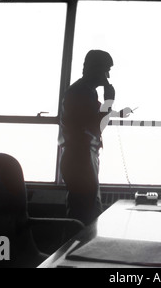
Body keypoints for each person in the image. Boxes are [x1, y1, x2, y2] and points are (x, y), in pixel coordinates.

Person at [59, 50, 132, 225]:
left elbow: (96, 117)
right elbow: (96, 124)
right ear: (94, 68)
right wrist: (109, 101)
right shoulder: (79, 93)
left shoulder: (86, 92)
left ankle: (75, 249)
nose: (108, 75)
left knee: (88, 211)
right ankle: (73, 251)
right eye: (106, 70)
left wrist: (114, 110)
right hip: (80, 159)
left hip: (85, 157)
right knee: (84, 215)